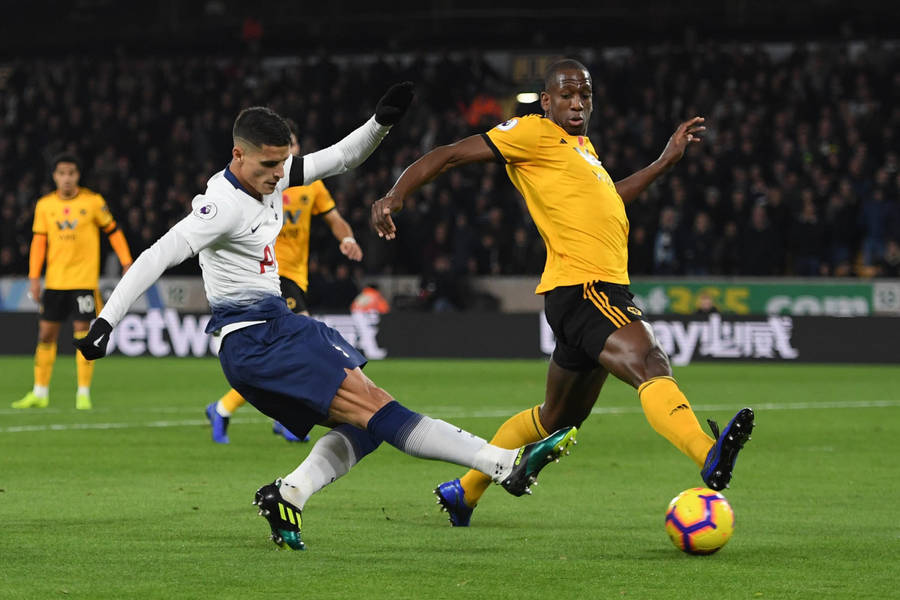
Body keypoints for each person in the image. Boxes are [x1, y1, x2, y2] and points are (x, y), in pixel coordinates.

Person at [74, 84, 577, 551]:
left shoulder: (268, 176)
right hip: (258, 340)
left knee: (365, 428)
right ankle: (503, 463)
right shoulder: (221, 207)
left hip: (277, 329)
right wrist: (107, 321)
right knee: (379, 406)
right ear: (238, 155)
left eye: (283, 163)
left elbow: (342, 157)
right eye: (270, 164)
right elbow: (155, 256)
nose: (280, 175)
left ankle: (289, 493)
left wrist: (380, 122)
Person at [372, 59, 754, 527]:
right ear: (547, 101)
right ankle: (706, 453)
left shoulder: (583, 150)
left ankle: (464, 492)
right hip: (586, 286)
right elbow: (449, 154)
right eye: (568, 95)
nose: (578, 104)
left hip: (585, 289)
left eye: (585, 95)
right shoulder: (531, 132)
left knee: (556, 418)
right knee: (649, 361)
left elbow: (609, 197)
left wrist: (662, 163)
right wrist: (397, 194)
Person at [205, 119, 363, 444]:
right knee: (301, 345)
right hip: (270, 276)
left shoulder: (312, 185)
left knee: (281, 353)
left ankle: (229, 409)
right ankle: (288, 419)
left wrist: (346, 239)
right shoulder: (260, 183)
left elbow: (335, 219)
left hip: (297, 277)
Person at [13, 153, 133, 410]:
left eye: (71, 173)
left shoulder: (92, 202)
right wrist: (34, 277)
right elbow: (38, 243)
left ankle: (83, 393)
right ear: (55, 176)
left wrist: (126, 261)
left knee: (82, 333)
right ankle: (40, 392)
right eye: (62, 173)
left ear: (78, 176)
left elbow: (113, 230)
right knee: (46, 335)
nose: (67, 178)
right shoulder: (45, 205)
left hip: (83, 281)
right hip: (55, 282)